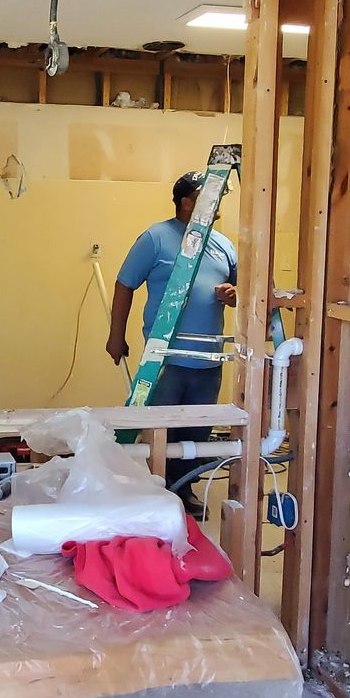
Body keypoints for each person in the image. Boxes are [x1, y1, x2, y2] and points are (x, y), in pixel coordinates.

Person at [104, 170, 238, 514]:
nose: (218, 204)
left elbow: (244, 293)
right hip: (165, 359)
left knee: (197, 432)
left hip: (208, 359)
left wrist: (234, 295)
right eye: (209, 197)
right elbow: (124, 284)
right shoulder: (156, 238)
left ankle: (183, 490)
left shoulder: (223, 245)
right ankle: (155, 492)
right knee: (161, 431)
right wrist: (116, 335)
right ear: (187, 203)